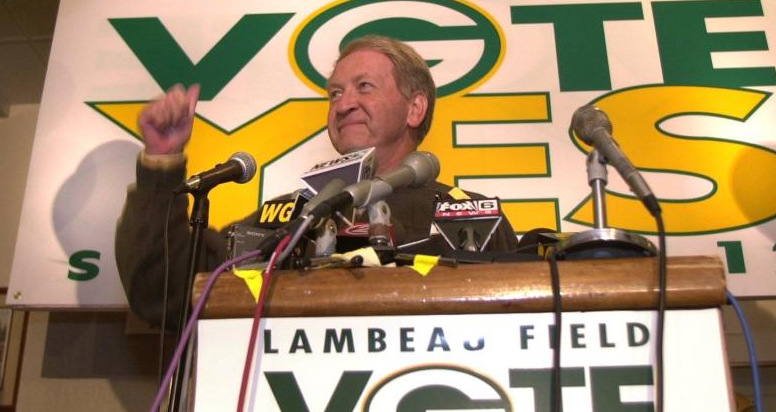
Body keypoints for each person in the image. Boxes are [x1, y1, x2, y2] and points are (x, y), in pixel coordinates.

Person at [116, 35, 517, 326]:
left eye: (364, 87)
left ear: (415, 109)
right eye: (334, 93)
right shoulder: (287, 220)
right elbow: (158, 294)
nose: (343, 105)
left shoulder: (472, 220)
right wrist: (160, 164)